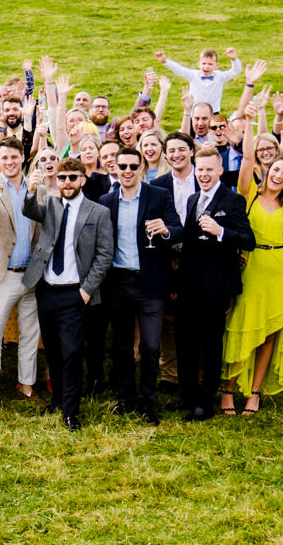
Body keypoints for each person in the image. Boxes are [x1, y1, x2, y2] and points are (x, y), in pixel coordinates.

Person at [23, 156, 113, 430]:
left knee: (72, 352)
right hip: (47, 289)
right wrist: (30, 190)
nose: (67, 182)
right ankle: (57, 400)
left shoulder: (98, 212)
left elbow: (105, 255)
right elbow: (29, 210)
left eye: (72, 177)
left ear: (83, 180)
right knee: (53, 350)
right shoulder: (51, 205)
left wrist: (86, 291)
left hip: (76, 294)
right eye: (62, 178)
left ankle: (71, 412)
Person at [100, 144, 180, 422]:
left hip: (151, 282)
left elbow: (178, 228)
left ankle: (148, 401)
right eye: (122, 166)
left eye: (133, 166)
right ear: (115, 168)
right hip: (118, 281)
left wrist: (166, 230)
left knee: (149, 346)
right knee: (121, 345)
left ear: (142, 168)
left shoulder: (159, 195)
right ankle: (125, 397)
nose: (128, 171)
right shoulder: (106, 201)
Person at [222, 130, 283, 414]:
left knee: (269, 333)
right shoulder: (250, 194)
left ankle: (254, 393)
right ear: (268, 170)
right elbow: (245, 158)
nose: (279, 175)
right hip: (252, 265)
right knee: (242, 327)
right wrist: (252, 124)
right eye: (276, 169)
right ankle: (228, 390)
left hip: (278, 269)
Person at [174, 146, 255, 420]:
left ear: (220, 170)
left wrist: (221, 232)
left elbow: (248, 240)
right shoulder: (193, 198)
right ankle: (186, 395)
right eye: (200, 168)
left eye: (209, 169)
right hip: (189, 282)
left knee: (210, 343)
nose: (204, 174)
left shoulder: (233, 201)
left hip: (216, 285)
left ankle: (205, 402)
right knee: (185, 340)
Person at [0, 144, 41, 410]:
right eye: (4, 157)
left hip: (32, 274)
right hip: (1, 275)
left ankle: (27, 386)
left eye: (14, 157)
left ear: (22, 158)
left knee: (30, 335)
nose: (10, 161)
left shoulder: (37, 187)